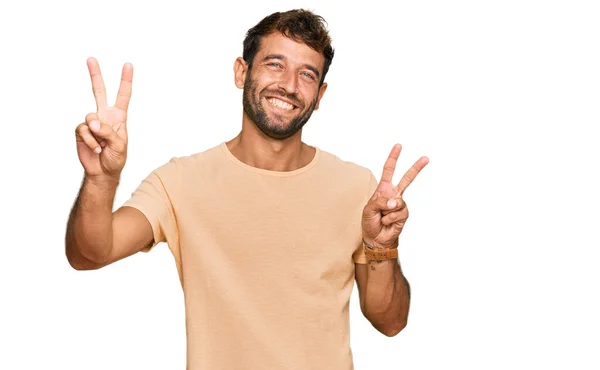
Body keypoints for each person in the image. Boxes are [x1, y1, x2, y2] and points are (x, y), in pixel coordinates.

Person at [65, 9, 428, 370]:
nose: (289, 85)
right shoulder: (181, 181)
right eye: (274, 64)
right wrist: (101, 179)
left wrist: (382, 247)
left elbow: (391, 322)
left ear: (320, 94)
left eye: (307, 74)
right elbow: (90, 254)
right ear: (242, 72)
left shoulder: (357, 187)